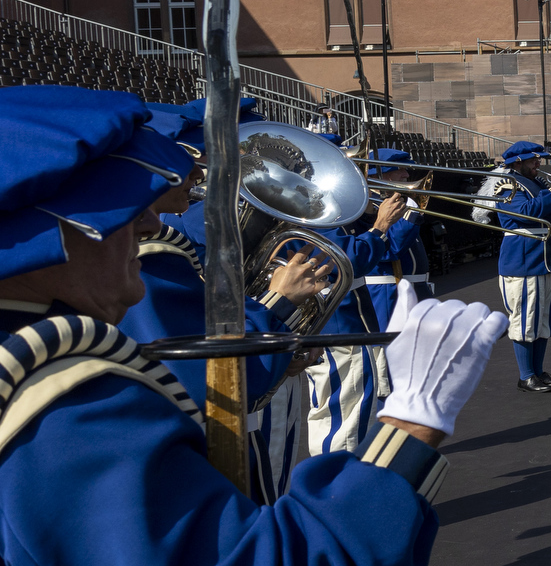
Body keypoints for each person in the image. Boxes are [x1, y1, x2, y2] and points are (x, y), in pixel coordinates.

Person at [0, 87, 506, 566]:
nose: (146, 222)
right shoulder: (59, 401)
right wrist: (414, 422)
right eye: (117, 212)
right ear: (47, 231)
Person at [119, 99, 324, 503]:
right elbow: (211, 377)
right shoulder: (154, 251)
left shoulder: (161, 241)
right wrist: (277, 303)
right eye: (194, 159)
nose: (200, 174)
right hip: (192, 446)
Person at [305, 173, 409, 456]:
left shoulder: (326, 211)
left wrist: (368, 212)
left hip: (348, 323)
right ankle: (336, 491)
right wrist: (380, 225)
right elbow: (347, 259)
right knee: (342, 421)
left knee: (352, 416)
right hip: (339, 325)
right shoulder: (312, 210)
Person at [483, 140, 551, 394]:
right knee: (525, 320)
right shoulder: (506, 184)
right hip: (523, 260)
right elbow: (525, 212)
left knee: (544, 319)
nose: (539, 163)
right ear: (518, 162)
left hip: (546, 259)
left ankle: (538, 371)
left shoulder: (538, 183)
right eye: (534, 160)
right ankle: (526, 375)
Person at [363, 149, 436, 330]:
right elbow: (389, 250)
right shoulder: (368, 206)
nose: (407, 174)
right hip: (389, 295)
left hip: (414, 291)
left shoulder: (394, 203)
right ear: (382, 175)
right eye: (400, 170)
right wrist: (412, 214)